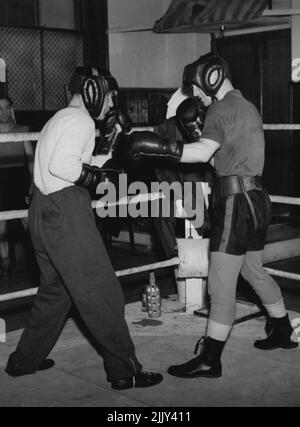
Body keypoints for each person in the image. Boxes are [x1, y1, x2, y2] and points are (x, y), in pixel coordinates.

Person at [118, 53, 298, 379]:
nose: (196, 96)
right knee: (253, 269)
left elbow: (201, 154)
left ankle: (210, 359)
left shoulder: (220, 108)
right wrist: (196, 133)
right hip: (258, 197)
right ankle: (283, 330)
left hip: (235, 203)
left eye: (197, 88)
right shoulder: (246, 106)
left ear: (211, 78)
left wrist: (158, 146)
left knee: (219, 284)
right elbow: (218, 161)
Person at [5, 67, 163, 390]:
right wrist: (92, 178)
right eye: (108, 98)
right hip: (65, 212)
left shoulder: (60, 118)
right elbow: (63, 166)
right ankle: (124, 370)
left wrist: (113, 143)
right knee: (102, 291)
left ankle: (24, 361)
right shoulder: (81, 122)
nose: (109, 106)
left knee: (56, 292)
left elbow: (74, 163)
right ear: (94, 92)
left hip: (41, 211)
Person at [0, 96, 34, 278]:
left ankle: (34, 261)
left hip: (18, 180)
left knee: (27, 220)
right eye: (0, 108)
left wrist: (33, 184)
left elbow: (31, 159)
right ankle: (5, 263)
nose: (3, 112)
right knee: (1, 224)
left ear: (11, 110)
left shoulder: (22, 130)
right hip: (0, 180)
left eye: (6, 108)